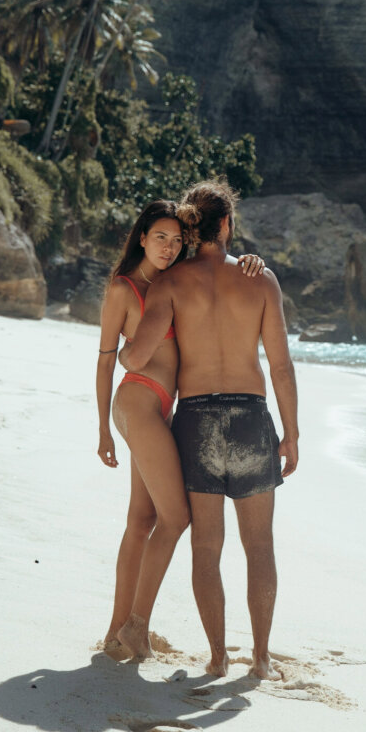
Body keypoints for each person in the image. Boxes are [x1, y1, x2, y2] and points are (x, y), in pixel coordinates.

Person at [120, 179, 298, 681]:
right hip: (249, 416)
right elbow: (281, 367)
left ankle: (218, 656)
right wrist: (292, 433)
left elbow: (135, 354)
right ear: (227, 224)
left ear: (192, 227)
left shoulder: (171, 284)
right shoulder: (261, 280)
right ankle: (260, 658)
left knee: (206, 547)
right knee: (259, 543)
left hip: (196, 419)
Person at [96, 197, 264, 661]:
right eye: (160, 239)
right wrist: (103, 430)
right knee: (176, 517)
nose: (169, 248)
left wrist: (249, 258)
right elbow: (108, 360)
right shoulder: (125, 289)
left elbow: (217, 279)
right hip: (138, 403)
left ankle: (117, 631)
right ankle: (135, 626)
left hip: (159, 410)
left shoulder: (176, 280)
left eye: (176, 239)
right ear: (142, 238)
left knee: (141, 521)